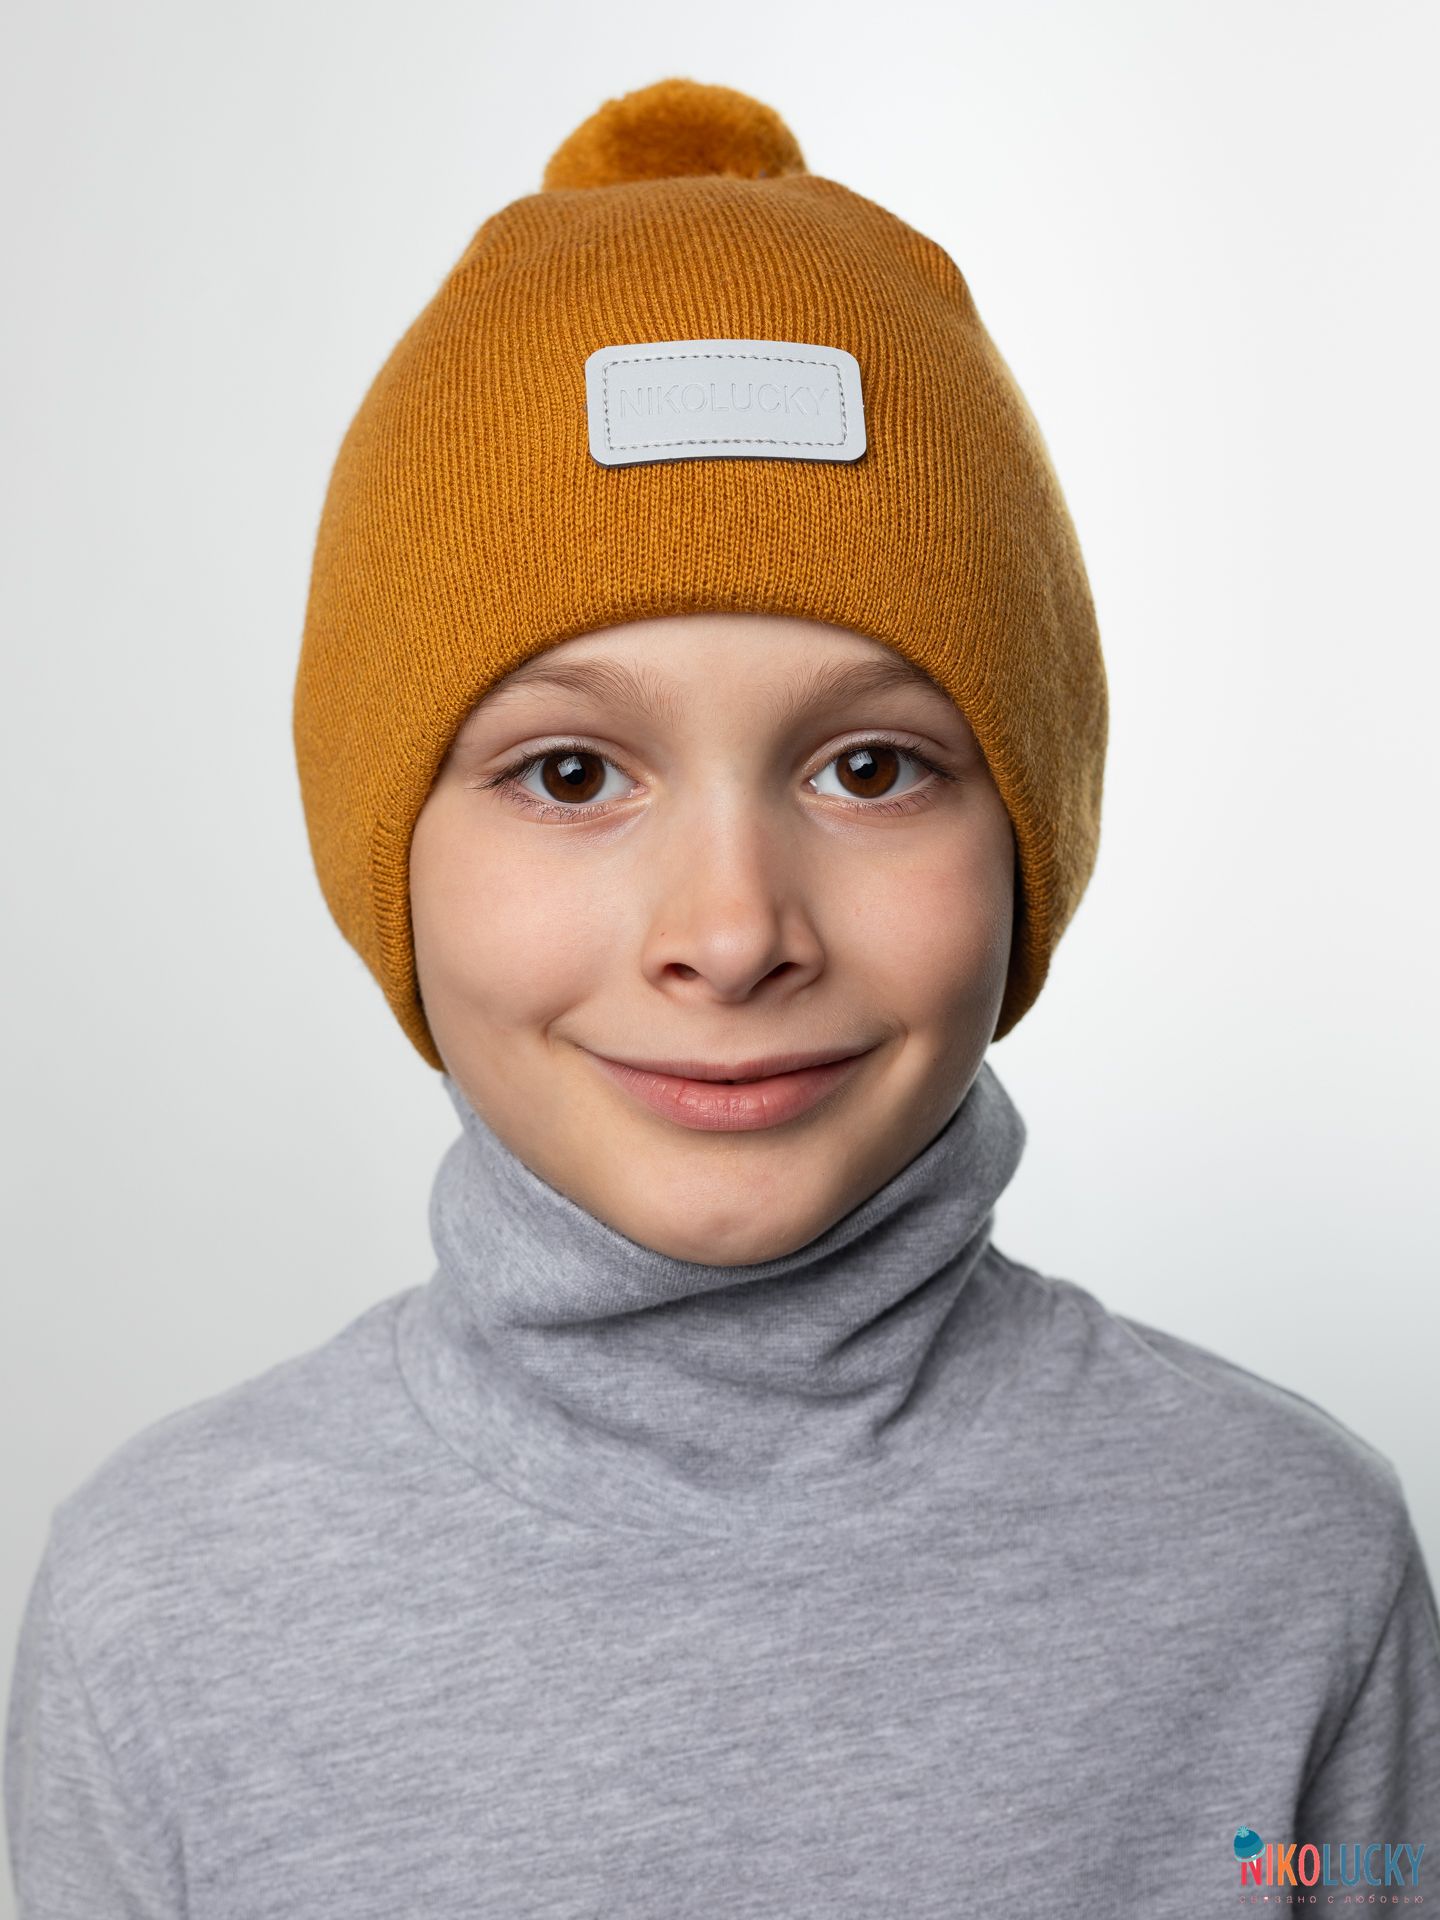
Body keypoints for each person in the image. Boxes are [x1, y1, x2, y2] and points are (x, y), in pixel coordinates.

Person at [6, 75, 1438, 1917]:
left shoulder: (1294, 1565)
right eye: (571, 774)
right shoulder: (162, 1605)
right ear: (387, 862)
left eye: (871, 768)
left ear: (1033, 835)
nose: (734, 931)